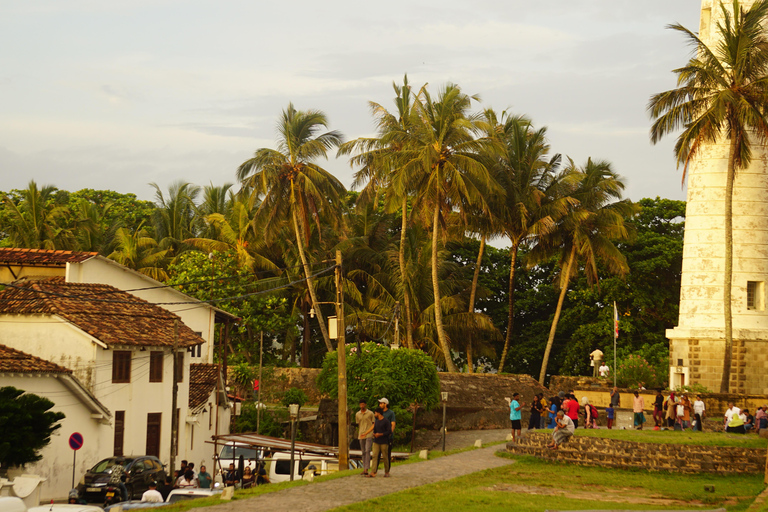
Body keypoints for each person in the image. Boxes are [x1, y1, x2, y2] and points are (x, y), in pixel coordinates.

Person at [369, 407, 391, 477]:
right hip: (376, 441)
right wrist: (374, 434)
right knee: (374, 456)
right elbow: (375, 430)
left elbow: (389, 431)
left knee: (385, 457)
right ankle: (373, 472)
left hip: (384, 441)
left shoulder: (386, 421)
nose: (374, 414)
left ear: (378, 413)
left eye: (375, 413)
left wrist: (381, 434)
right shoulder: (376, 421)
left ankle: (387, 471)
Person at [356, 399, 375, 477]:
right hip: (361, 434)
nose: (362, 406)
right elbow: (358, 424)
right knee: (363, 451)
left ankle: (367, 468)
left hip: (369, 434)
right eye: (361, 404)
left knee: (367, 450)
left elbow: (374, 423)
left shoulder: (370, 413)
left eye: (363, 404)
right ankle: (364, 468)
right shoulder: (357, 414)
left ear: (365, 405)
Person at [378, 398, 396, 463]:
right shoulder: (379, 413)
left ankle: (387, 470)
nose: (380, 405)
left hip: (387, 436)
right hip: (379, 436)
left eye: (381, 403)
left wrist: (390, 433)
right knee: (377, 454)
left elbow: (393, 424)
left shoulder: (391, 413)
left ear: (385, 404)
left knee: (387, 454)